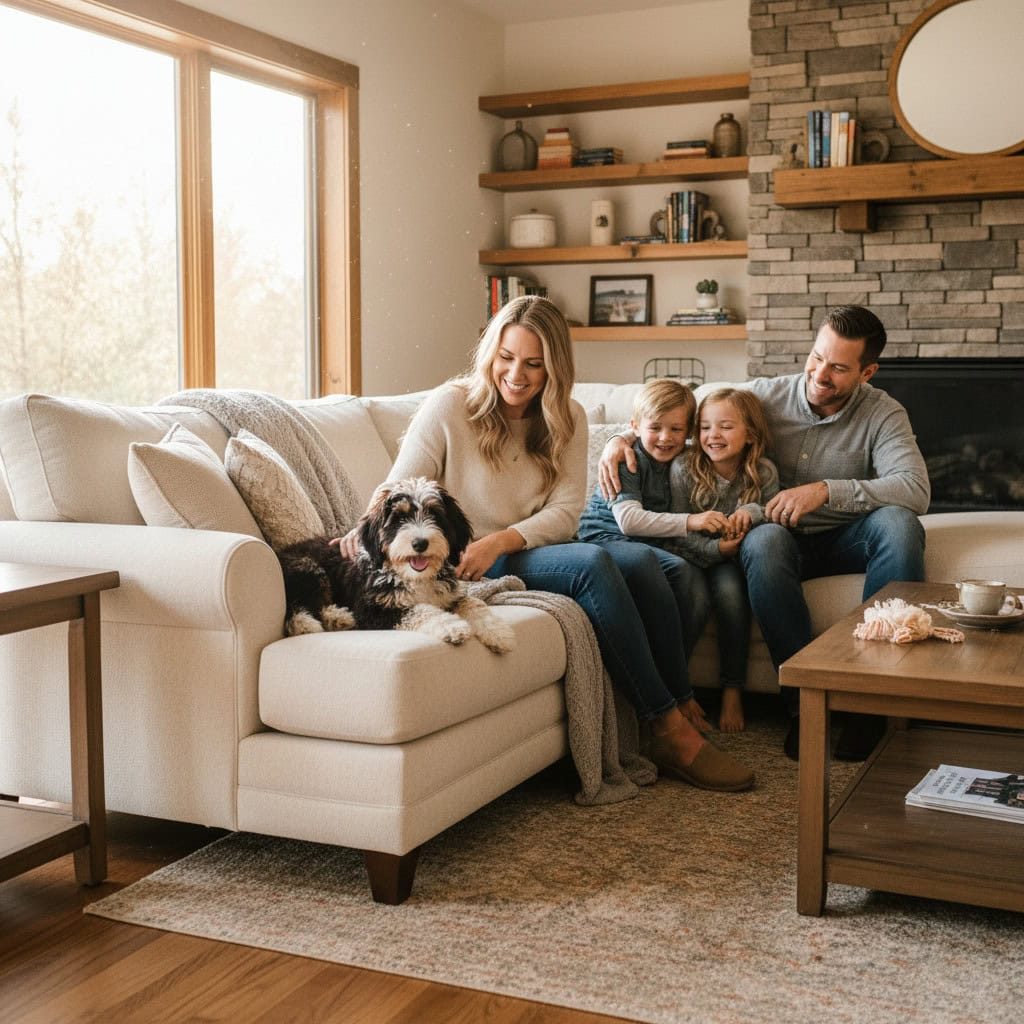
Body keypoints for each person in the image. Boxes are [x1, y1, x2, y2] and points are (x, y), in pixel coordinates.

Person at [336, 295, 754, 791]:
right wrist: (363, 531)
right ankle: (669, 728)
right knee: (594, 564)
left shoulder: (568, 417)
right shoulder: (450, 405)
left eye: (534, 364)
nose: (517, 374)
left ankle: (674, 703)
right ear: (491, 354)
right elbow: (398, 485)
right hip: (466, 557)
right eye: (507, 358)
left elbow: (564, 513)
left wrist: (503, 541)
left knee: (645, 563)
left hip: (521, 547)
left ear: (554, 367)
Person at [599, 305, 930, 760]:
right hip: (775, 540)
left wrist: (824, 491)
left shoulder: (883, 413)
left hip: (843, 535)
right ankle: (803, 705)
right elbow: (682, 412)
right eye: (816, 357)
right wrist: (621, 439)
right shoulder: (765, 396)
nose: (820, 374)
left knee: (900, 524)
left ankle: (868, 705)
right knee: (766, 538)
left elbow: (914, 489)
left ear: (866, 371)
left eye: (838, 367)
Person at [576, 377, 715, 734]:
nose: (665, 437)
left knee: (696, 582)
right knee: (678, 570)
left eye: (676, 429)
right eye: (655, 428)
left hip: (647, 544)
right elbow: (629, 520)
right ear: (635, 427)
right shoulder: (628, 458)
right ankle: (678, 694)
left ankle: (669, 684)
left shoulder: (683, 459)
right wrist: (693, 522)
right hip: (603, 539)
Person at [666, 387, 779, 733]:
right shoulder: (684, 468)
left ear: (750, 435)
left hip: (734, 563)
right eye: (704, 427)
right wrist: (716, 551)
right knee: (697, 601)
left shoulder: (764, 472)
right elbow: (677, 531)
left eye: (726, 427)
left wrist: (752, 511)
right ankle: (675, 692)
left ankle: (733, 690)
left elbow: (774, 514)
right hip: (692, 556)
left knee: (731, 596)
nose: (713, 436)